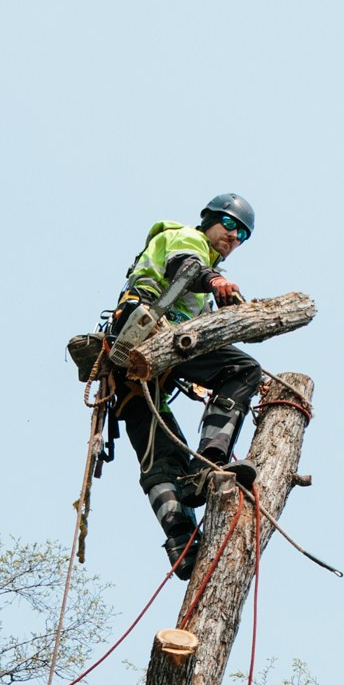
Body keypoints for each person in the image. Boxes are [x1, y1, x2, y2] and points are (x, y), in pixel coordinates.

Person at [109, 193, 260, 578]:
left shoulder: (201, 290)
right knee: (242, 370)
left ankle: (181, 541)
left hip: (137, 369)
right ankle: (210, 460)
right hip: (151, 333)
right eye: (229, 225)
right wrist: (217, 281)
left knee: (160, 458)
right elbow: (186, 267)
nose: (233, 236)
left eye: (242, 234)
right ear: (209, 218)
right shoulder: (184, 237)